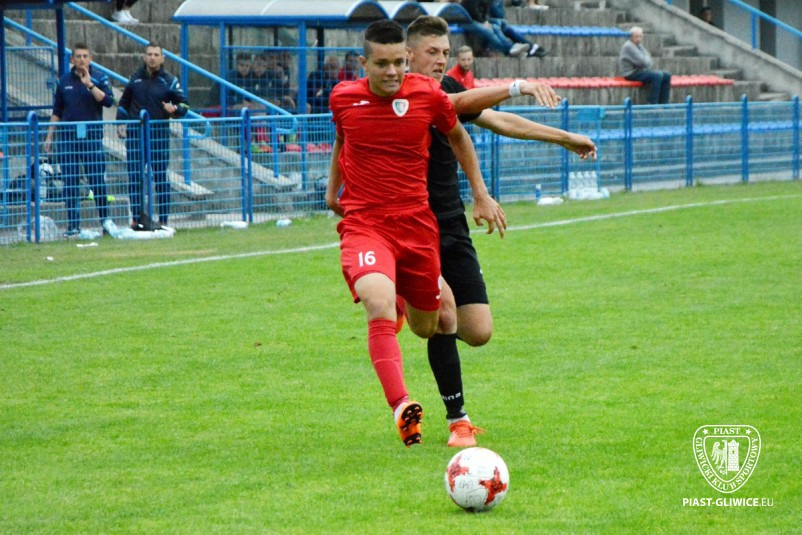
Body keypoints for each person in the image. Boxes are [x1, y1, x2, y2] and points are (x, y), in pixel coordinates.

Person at [405, 15, 597, 447]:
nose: (440, 60)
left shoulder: (447, 90)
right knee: (443, 315)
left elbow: (499, 120)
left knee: (477, 331)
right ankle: (458, 421)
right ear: (409, 55)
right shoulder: (399, 95)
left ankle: (418, 308)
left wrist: (564, 137)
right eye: (432, 52)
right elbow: (460, 104)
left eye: (445, 53)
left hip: (450, 223)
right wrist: (519, 84)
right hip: (411, 226)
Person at [325, 20, 506, 447]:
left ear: (407, 59)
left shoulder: (427, 95)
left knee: (434, 324)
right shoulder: (343, 97)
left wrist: (480, 193)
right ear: (363, 63)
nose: (391, 72)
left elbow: (459, 136)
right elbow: (342, 139)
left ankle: (404, 298)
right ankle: (403, 407)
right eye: (381, 64)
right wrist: (333, 192)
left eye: (398, 63)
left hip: (417, 229)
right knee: (378, 303)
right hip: (366, 225)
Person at [43, 43, 114, 237]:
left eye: (85, 56)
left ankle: (106, 222)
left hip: (91, 136)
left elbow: (108, 101)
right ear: (71, 59)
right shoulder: (64, 80)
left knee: (97, 180)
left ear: (90, 58)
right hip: (68, 137)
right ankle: (73, 225)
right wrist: (50, 136)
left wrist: (90, 85)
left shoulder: (100, 78)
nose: (82, 60)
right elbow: (57, 110)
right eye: (78, 56)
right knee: (70, 181)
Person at [117, 42, 189, 228]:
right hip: (136, 136)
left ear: (162, 58)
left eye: (156, 55)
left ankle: (163, 219)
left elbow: (184, 105)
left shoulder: (169, 81)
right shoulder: (135, 78)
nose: (152, 58)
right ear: (144, 57)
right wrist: (120, 124)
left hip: (158, 136)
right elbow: (124, 103)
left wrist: (174, 109)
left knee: (160, 178)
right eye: (149, 54)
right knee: (135, 177)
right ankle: (136, 219)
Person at [462, 0, 547, 58]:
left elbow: (492, 11)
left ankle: (530, 46)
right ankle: (510, 48)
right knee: (489, 30)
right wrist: (483, 21)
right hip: (467, 19)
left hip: (480, 18)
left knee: (502, 23)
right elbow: (472, 8)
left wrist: (485, 20)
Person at [619, 26, 672, 105]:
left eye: (640, 36)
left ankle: (664, 103)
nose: (639, 39)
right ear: (631, 37)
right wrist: (647, 60)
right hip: (631, 73)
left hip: (640, 71)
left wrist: (647, 60)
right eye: (636, 36)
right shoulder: (629, 46)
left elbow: (649, 60)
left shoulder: (639, 46)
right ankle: (652, 103)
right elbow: (643, 62)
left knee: (667, 75)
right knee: (657, 76)